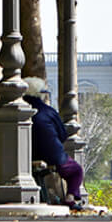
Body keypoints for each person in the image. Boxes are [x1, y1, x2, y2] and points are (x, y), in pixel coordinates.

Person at [25, 78, 89, 210]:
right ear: (40, 93)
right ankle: (70, 199)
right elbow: (63, 134)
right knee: (76, 170)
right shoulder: (48, 111)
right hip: (52, 155)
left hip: (26, 155)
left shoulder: (23, 108)